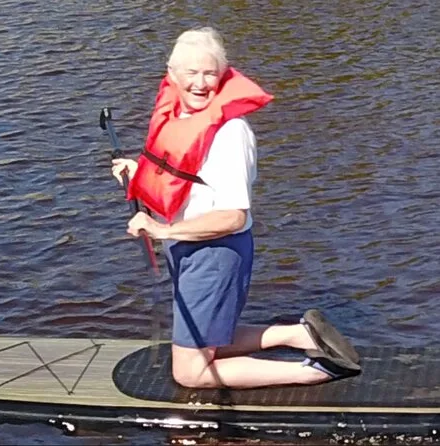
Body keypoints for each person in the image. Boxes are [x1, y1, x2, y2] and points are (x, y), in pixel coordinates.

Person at [111, 27, 360, 389]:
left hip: (214, 252)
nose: (200, 83)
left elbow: (232, 217)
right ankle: (300, 334)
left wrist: (162, 230)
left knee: (190, 373)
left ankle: (318, 371)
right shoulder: (179, 115)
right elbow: (184, 179)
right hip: (186, 246)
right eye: (191, 72)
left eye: (209, 73)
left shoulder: (230, 134)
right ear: (172, 74)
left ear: (223, 74)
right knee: (205, 339)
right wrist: (139, 173)